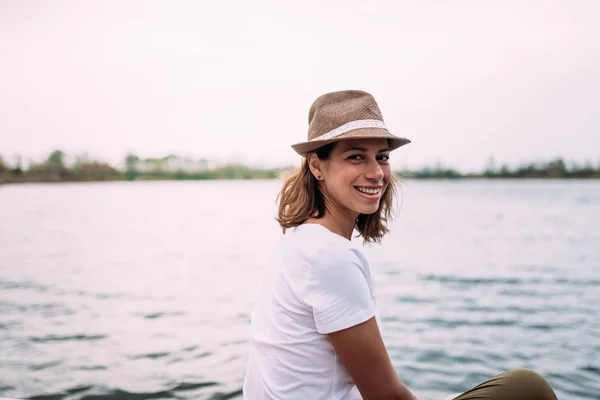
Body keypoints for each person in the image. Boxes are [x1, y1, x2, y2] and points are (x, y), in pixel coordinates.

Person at [242, 90, 558, 400]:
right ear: (316, 166)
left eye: (382, 157)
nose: (377, 173)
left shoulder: (299, 239)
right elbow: (385, 396)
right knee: (528, 388)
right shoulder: (329, 256)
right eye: (356, 156)